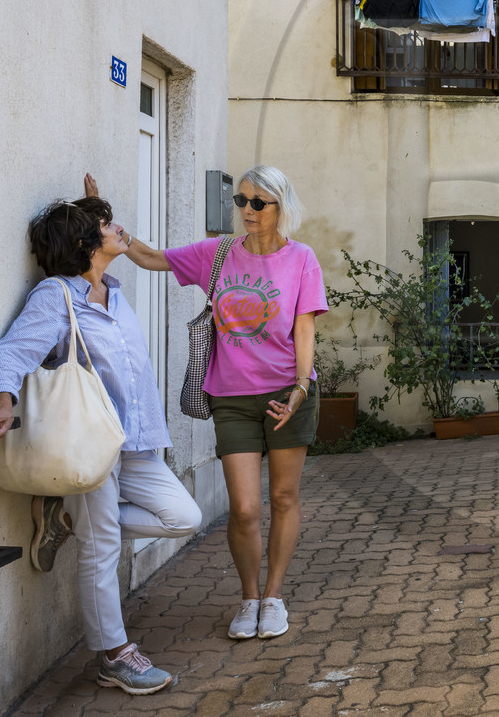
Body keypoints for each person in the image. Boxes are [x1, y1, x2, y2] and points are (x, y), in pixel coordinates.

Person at [0, 195, 203, 696]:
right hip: (87, 447)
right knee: (102, 550)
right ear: (84, 242)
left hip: (132, 444)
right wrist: (2, 400)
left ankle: (65, 519)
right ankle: (114, 656)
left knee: (183, 517)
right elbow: (13, 350)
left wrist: (89, 199)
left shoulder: (114, 293)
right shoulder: (56, 297)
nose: (119, 229)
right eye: (105, 224)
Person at [114, 165, 327, 642]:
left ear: (279, 207)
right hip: (231, 398)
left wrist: (299, 388)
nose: (247, 211)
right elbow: (150, 258)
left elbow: (305, 327)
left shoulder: (301, 259)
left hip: (287, 395)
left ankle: (273, 597)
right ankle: (249, 596)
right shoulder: (219, 254)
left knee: (284, 497)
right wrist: (107, 222)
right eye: (241, 201)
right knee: (246, 507)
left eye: (258, 203)